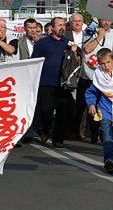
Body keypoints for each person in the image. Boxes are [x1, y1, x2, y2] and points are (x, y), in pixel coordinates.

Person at [32, 17, 78, 148]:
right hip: (47, 82)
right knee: (46, 111)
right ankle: (44, 130)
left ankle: (58, 138)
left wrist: (74, 52)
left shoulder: (68, 43)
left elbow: (75, 61)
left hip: (64, 83)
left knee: (63, 111)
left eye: (63, 25)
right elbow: (35, 61)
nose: (62, 27)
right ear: (52, 28)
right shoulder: (43, 43)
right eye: (59, 25)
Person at [77, 19, 113, 142]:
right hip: (90, 77)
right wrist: (100, 36)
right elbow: (87, 49)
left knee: (105, 107)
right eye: (104, 19)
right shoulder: (89, 32)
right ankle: (93, 130)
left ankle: (103, 133)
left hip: (107, 79)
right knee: (91, 107)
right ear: (98, 20)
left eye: (109, 20)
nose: (107, 22)